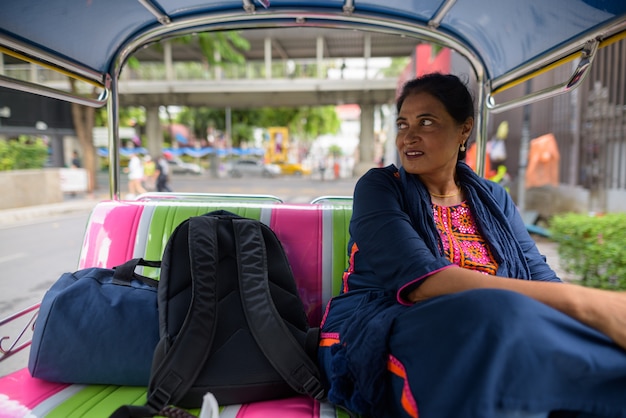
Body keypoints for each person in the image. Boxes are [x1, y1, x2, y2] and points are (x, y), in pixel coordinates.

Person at [318, 73, 626, 418]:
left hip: (494, 326)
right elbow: (422, 282)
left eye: (427, 122)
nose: (409, 137)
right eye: (403, 124)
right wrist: (588, 302)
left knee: (583, 344)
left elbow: (538, 276)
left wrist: (597, 318)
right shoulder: (380, 187)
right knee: (497, 318)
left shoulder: (494, 197)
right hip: (375, 330)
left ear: (464, 129)